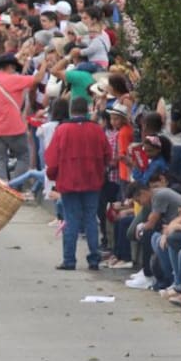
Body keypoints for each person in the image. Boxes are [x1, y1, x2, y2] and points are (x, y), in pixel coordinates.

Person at [44, 96, 109, 270]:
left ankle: (69, 259)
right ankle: (94, 258)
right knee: (90, 219)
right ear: (87, 110)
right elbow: (107, 155)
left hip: (69, 180)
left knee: (71, 220)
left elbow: (52, 158)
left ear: (72, 110)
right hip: (92, 180)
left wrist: (53, 176)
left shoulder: (62, 130)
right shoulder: (97, 130)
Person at [0, 53, 39, 183]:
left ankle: (2, 188)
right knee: (23, 156)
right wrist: (44, 65)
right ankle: (14, 185)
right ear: (10, 66)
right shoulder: (14, 80)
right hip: (14, 127)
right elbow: (36, 79)